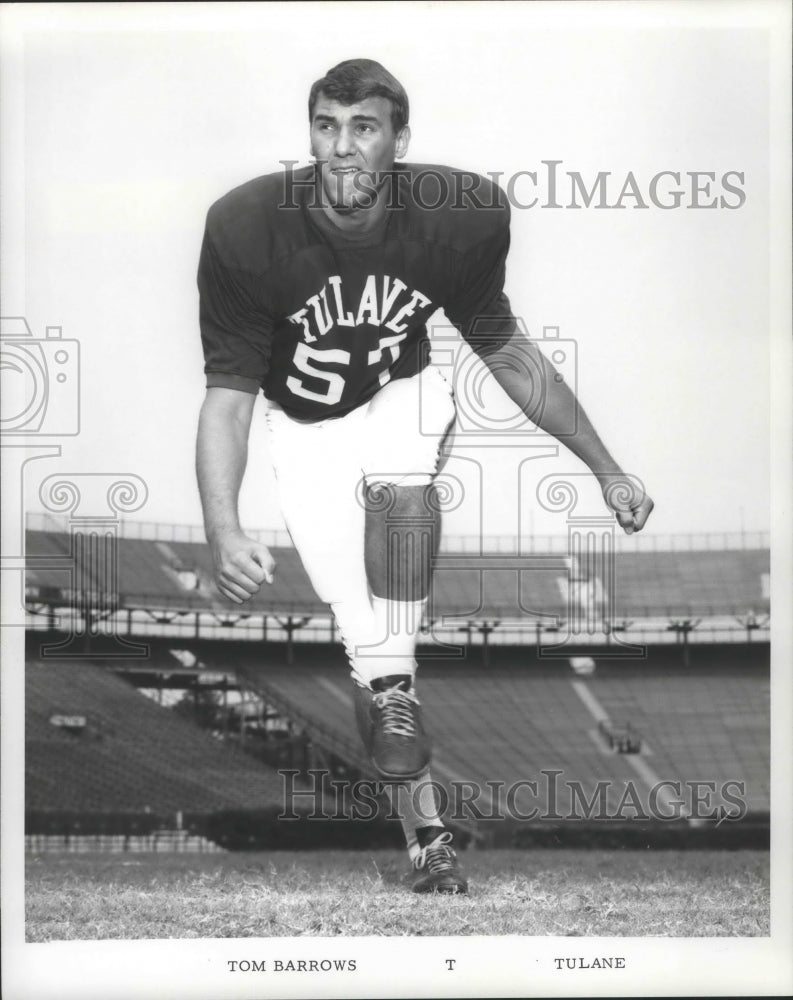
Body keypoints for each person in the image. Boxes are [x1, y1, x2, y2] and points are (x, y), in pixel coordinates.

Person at [196, 58, 654, 894]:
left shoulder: (460, 217)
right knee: (367, 646)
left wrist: (605, 469)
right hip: (301, 430)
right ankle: (427, 834)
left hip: (403, 394)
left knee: (402, 490)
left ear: (398, 140)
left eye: (362, 128)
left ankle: (396, 679)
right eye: (325, 127)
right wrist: (224, 527)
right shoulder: (244, 226)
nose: (341, 148)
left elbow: (507, 353)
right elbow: (227, 398)